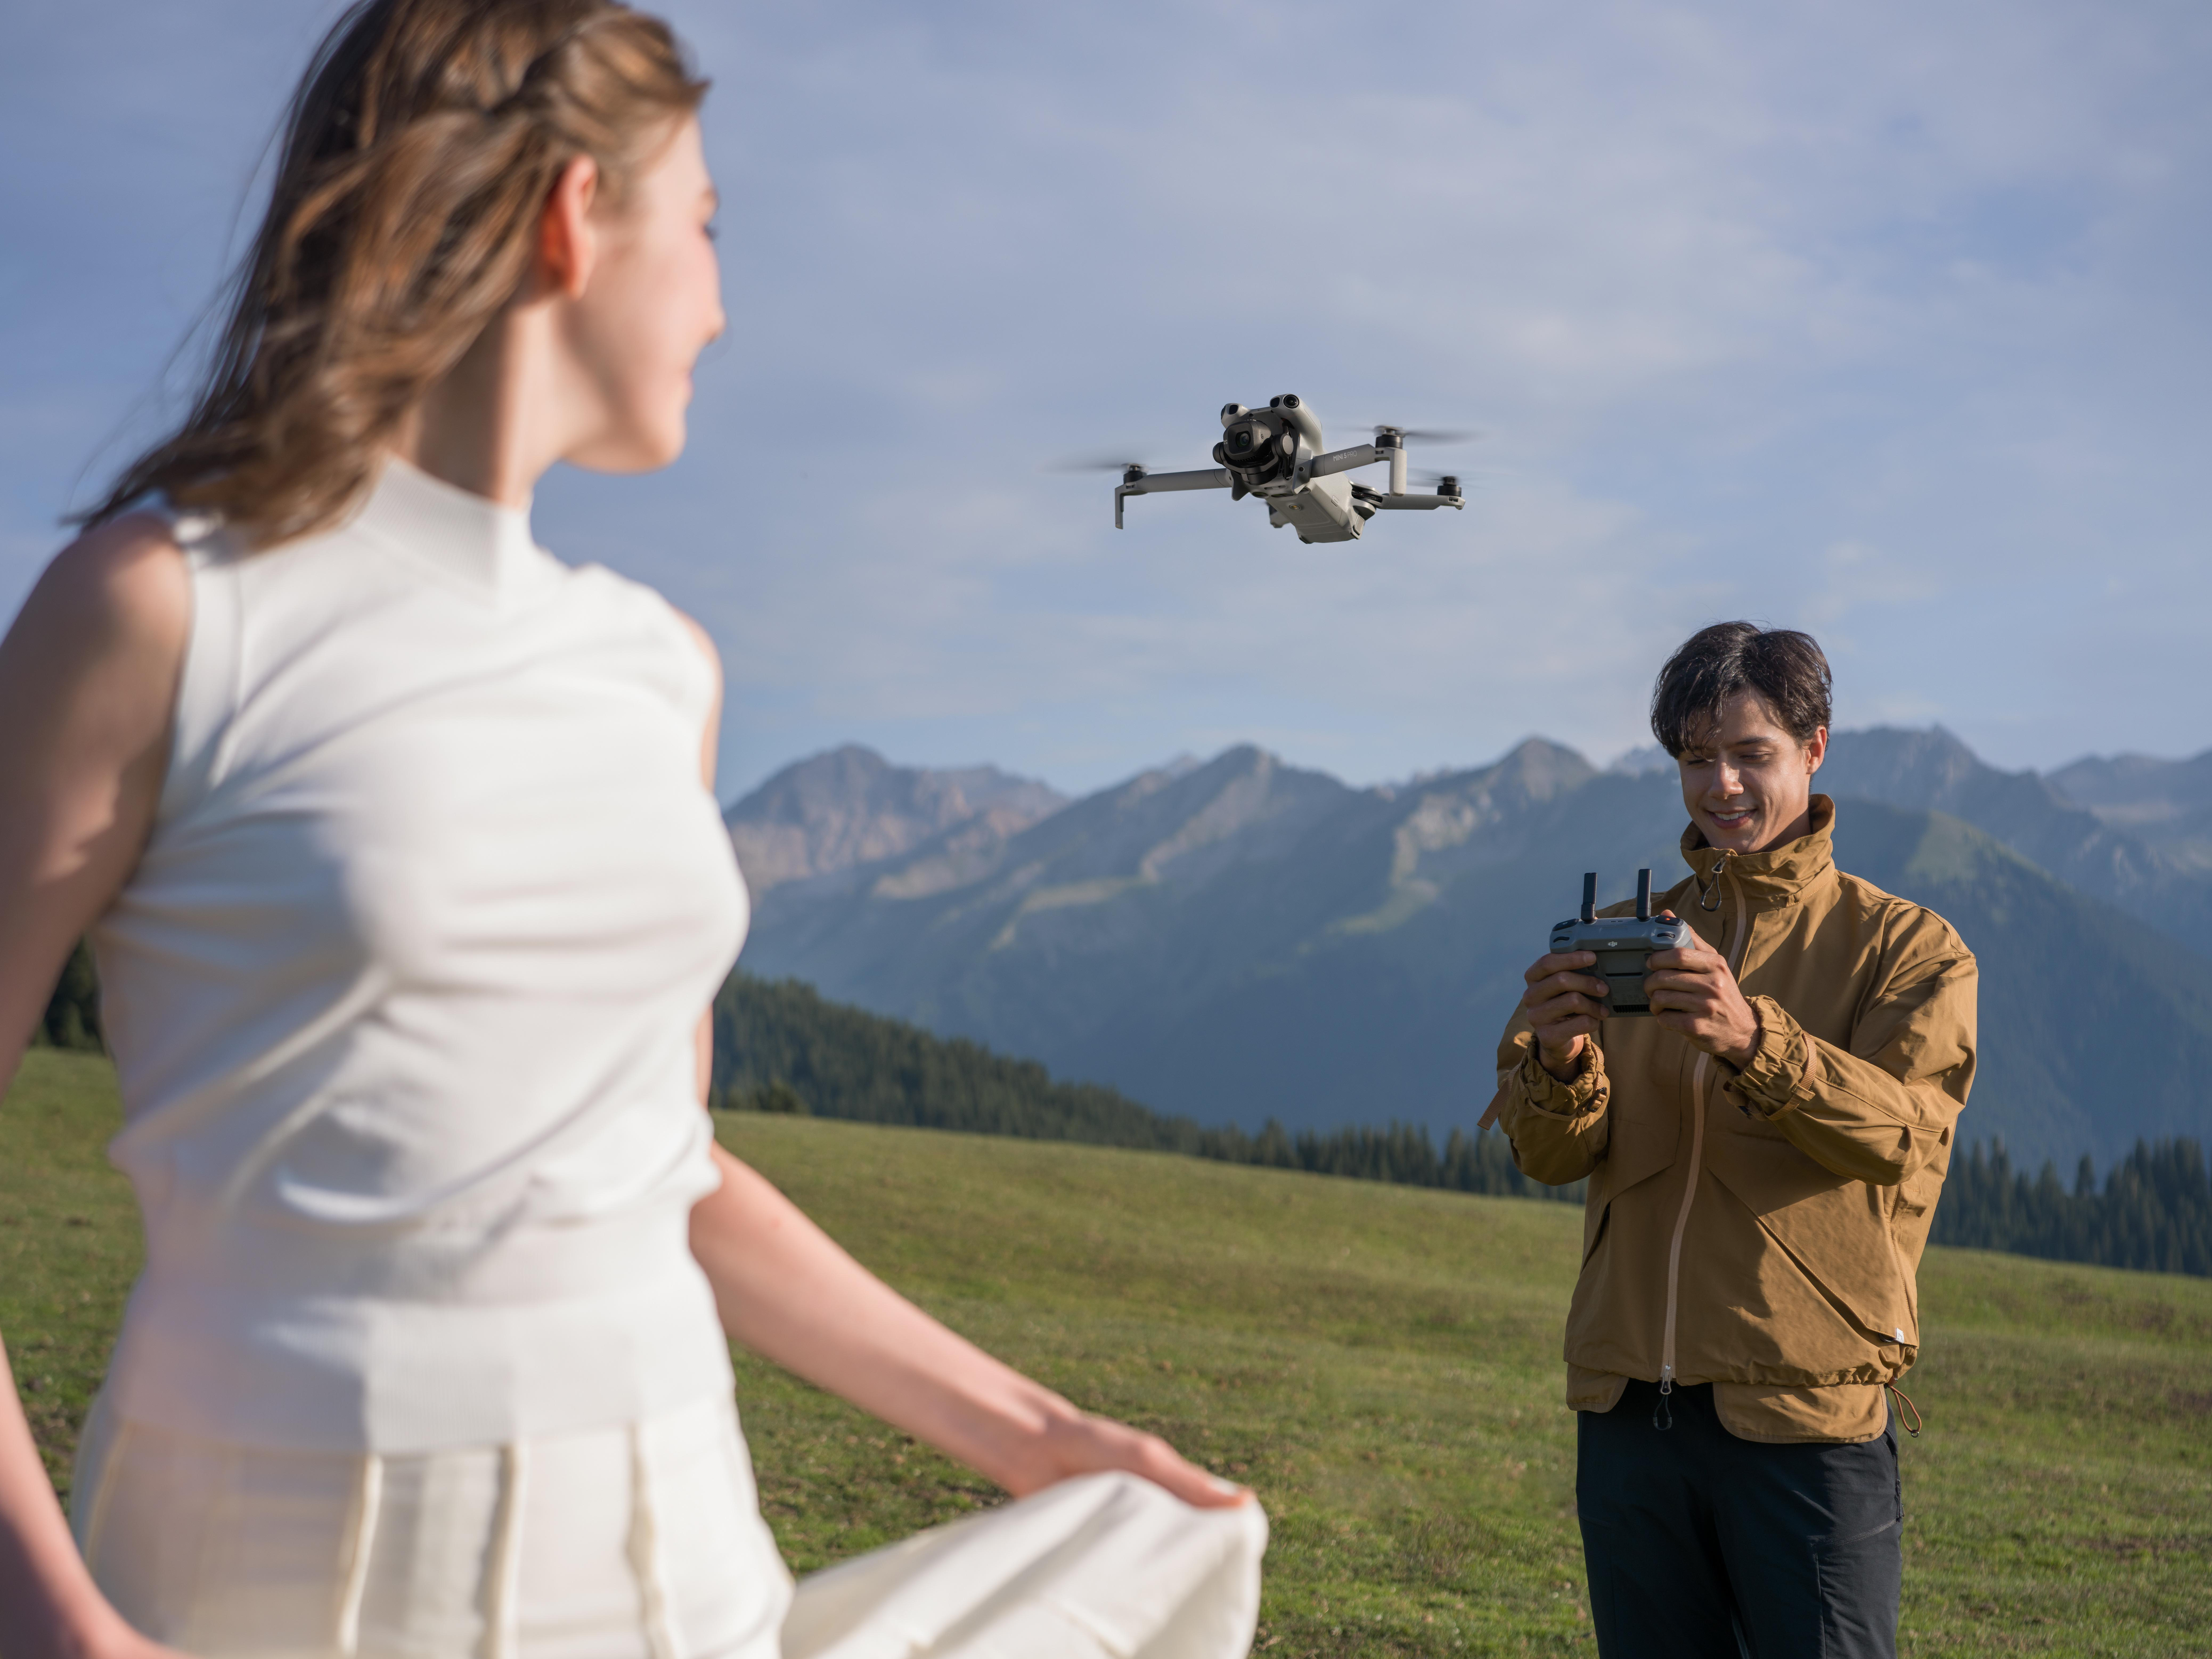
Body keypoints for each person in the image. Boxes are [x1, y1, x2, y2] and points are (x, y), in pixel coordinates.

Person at [0, 3, 1264, 1655]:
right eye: (712, 228)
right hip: (281, 1576)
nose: (728, 310)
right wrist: (61, 1629)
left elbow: (666, 1167)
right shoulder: (163, 610)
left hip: (678, 1569)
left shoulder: (662, 671)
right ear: (570, 214)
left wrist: (1045, 1438)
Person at [1485, 622, 1977, 1659]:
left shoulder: (1909, 949)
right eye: (1696, 759)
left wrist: (1758, 1041)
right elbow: (1549, 1154)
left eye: (1751, 754)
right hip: (1627, 1412)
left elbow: (1908, 1134)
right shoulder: (1624, 931)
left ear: (1815, 749)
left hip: (1805, 1419)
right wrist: (1561, 1066)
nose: (1722, 785)